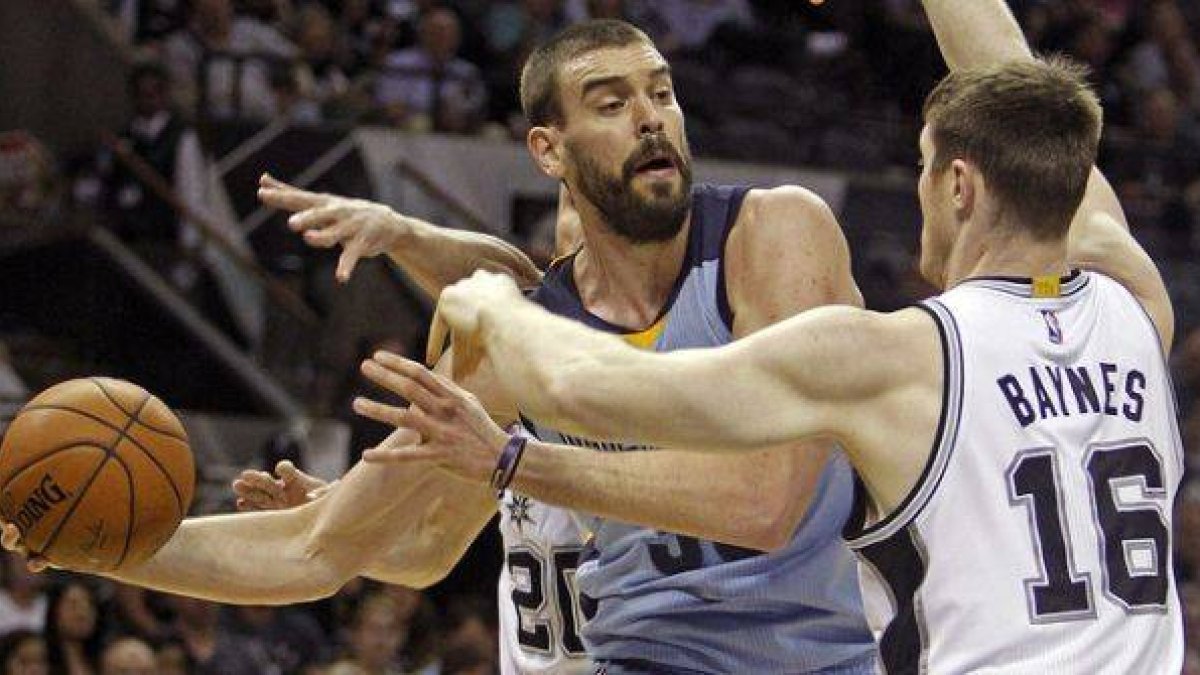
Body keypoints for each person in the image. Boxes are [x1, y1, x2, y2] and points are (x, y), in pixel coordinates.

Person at [5, 19, 877, 675]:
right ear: (548, 151)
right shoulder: (515, 338)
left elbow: (768, 502)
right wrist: (108, 541)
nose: (652, 119)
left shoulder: (773, 233)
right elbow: (315, 547)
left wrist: (510, 461)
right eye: (613, 104)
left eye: (662, 92)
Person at [361, 2, 1184, 672]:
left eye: (926, 166)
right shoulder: (1138, 308)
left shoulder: (900, 356)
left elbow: (599, 391)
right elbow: (1030, 112)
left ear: (960, 186)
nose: (919, 188)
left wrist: (499, 313)